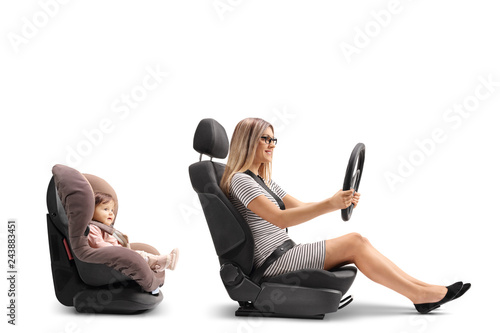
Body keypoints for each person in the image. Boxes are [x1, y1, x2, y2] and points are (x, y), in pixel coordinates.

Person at [220, 117, 470, 314]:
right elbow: (281, 218)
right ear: (248, 141)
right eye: (265, 139)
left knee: (359, 241)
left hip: (285, 252)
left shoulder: (264, 181)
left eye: (274, 140)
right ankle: (420, 296)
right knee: (355, 242)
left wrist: (339, 201)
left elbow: (299, 206)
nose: (272, 145)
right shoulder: (241, 180)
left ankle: (423, 289)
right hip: (273, 262)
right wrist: (330, 204)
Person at [89, 192, 178, 272]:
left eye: (112, 210)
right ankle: (162, 262)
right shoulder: (92, 228)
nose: (111, 213)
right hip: (112, 258)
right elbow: (98, 245)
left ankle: (161, 262)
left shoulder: (105, 229)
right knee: (138, 257)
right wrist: (118, 250)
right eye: (105, 209)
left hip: (119, 254)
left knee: (140, 254)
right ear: (91, 211)